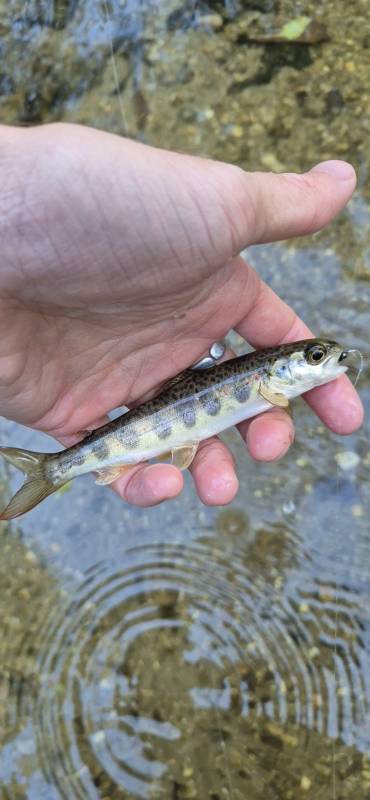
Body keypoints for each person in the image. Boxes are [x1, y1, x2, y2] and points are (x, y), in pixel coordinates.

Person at [0, 123, 363, 507]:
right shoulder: (269, 383)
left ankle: (54, 469)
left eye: (317, 355)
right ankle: (53, 470)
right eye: (315, 356)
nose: (326, 357)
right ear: (278, 370)